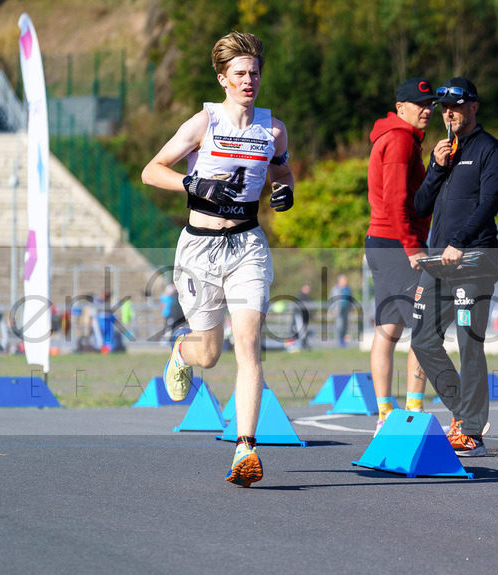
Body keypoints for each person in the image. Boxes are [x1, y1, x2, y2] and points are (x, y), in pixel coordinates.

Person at [141, 32, 294, 487]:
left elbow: (282, 168)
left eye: (256, 73)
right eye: (241, 74)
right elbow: (152, 171)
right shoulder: (203, 123)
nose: (250, 81)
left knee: (248, 346)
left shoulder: (273, 128)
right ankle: (182, 351)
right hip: (200, 247)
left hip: (247, 245)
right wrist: (195, 186)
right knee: (210, 354)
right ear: (223, 78)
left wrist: (284, 189)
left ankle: (245, 448)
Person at [411, 76, 498, 456]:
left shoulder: (491, 150)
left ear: (474, 108)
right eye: (443, 107)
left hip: (475, 259)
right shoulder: (443, 152)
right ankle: (464, 414)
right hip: (439, 263)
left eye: (456, 105)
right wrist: (436, 167)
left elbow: (488, 205)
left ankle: (471, 432)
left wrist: (459, 243)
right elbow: (419, 207)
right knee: (422, 339)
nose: (448, 112)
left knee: (470, 344)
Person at [365, 77, 435, 432]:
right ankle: (412, 412)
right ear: (401, 107)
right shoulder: (400, 140)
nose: (428, 110)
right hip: (396, 245)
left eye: (431, 105)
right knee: (425, 329)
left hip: (381, 242)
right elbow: (395, 200)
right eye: (420, 104)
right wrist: (413, 248)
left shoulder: (395, 137)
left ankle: (385, 416)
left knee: (389, 329)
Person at [330, 273, 353, 347]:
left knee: (345, 325)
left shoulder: (348, 289)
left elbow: (351, 299)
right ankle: (339, 341)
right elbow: (331, 300)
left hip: (346, 309)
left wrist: (350, 308)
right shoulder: (335, 289)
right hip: (337, 310)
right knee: (339, 325)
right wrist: (331, 310)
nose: (345, 281)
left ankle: (343, 339)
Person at [288, 283, 312, 351]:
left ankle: (303, 345)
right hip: (299, 317)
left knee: (303, 332)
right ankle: (299, 346)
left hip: (303, 318)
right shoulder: (301, 297)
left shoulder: (306, 297)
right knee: (299, 332)